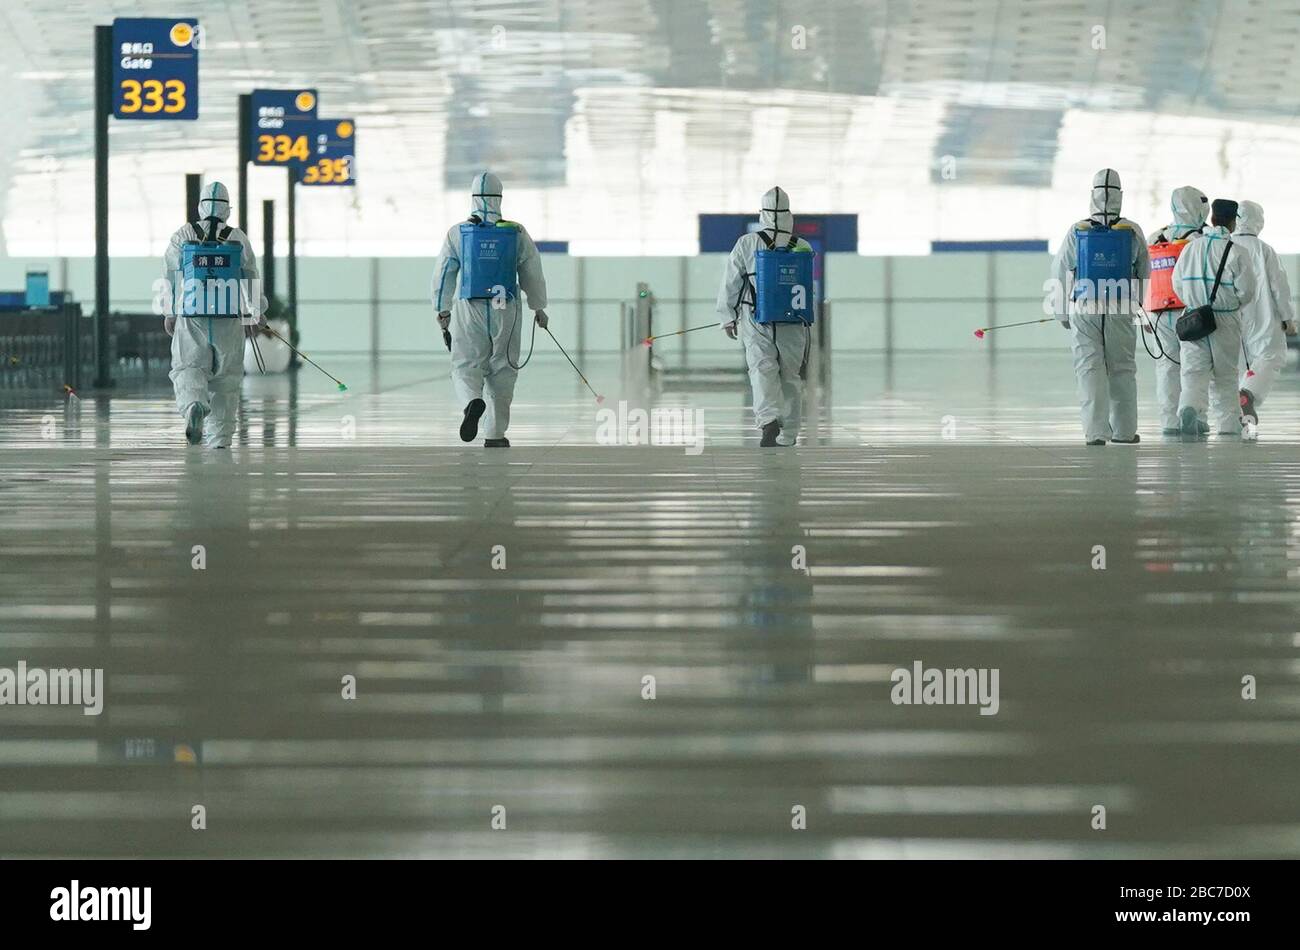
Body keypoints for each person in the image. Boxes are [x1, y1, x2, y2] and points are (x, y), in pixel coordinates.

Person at [432, 172, 548, 448]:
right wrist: (538, 306)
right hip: (505, 308)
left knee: (465, 365)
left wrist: (442, 311)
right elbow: (532, 271)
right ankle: (495, 435)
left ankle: (472, 401)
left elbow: (444, 273)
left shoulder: (458, 232)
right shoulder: (516, 231)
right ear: (500, 197)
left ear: (473, 198)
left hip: (469, 306)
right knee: (503, 369)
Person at [162, 181, 266, 448]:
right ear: (226, 209)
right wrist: (256, 313)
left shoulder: (183, 235)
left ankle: (195, 404)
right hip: (228, 318)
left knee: (188, 368)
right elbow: (250, 276)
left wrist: (170, 312)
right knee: (227, 380)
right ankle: (220, 440)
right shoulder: (237, 238)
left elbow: (171, 277)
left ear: (200, 206)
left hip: (191, 317)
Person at [1049, 169, 1150, 445]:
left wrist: (1061, 310)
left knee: (1089, 368)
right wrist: (1137, 304)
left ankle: (1095, 433)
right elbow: (1144, 269)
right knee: (1122, 369)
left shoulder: (1078, 230)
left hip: (1084, 305)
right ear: (1120, 196)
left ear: (1092, 195)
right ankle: (1125, 432)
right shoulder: (1131, 230)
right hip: (1120, 306)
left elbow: (1060, 270)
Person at [716, 186, 814, 447]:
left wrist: (728, 316)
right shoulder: (802, 246)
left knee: (761, 369)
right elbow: (807, 288)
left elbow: (731, 283)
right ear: (788, 214)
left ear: (763, 213)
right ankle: (790, 432)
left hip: (756, 318)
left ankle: (768, 420)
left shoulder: (747, 243)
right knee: (791, 375)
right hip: (794, 321)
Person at [1171, 199, 1258, 437]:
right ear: (1233, 222)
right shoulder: (1237, 251)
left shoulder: (1191, 248)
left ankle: (1189, 408)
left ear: (1212, 219)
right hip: (1225, 320)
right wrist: (1230, 306)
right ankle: (1229, 424)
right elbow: (1247, 291)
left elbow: (1176, 283)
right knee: (1225, 375)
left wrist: (1194, 302)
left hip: (1194, 317)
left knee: (1193, 372)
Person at [1145, 187, 1208, 434]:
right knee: (1196, 365)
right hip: (1193, 313)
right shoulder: (1200, 239)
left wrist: (1145, 316)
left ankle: (1170, 422)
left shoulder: (1155, 237)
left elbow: (1143, 277)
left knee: (1166, 367)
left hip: (1159, 312)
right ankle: (1195, 414)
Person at [1232, 201, 1295, 436]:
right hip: (1264, 315)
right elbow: (1280, 286)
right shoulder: (1264, 249)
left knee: (1237, 367)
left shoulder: (1226, 245)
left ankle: (1241, 416)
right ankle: (1247, 395)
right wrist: (1288, 317)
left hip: (1233, 315)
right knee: (1271, 356)